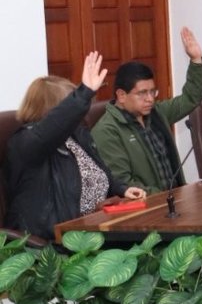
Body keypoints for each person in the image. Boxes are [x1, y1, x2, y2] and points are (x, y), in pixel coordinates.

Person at [3, 52, 146, 239]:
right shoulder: (26, 142)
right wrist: (84, 93)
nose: (80, 112)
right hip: (56, 241)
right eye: (70, 103)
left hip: (95, 228)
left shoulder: (76, 135)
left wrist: (121, 189)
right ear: (55, 109)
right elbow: (50, 130)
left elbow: (98, 170)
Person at [92, 28, 202, 193]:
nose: (150, 99)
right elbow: (123, 182)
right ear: (121, 95)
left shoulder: (157, 112)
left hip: (175, 198)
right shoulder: (107, 131)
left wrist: (196, 60)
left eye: (153, 91)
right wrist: (165, 198)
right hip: (151, 204)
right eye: (142, 93)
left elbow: (190, 99)